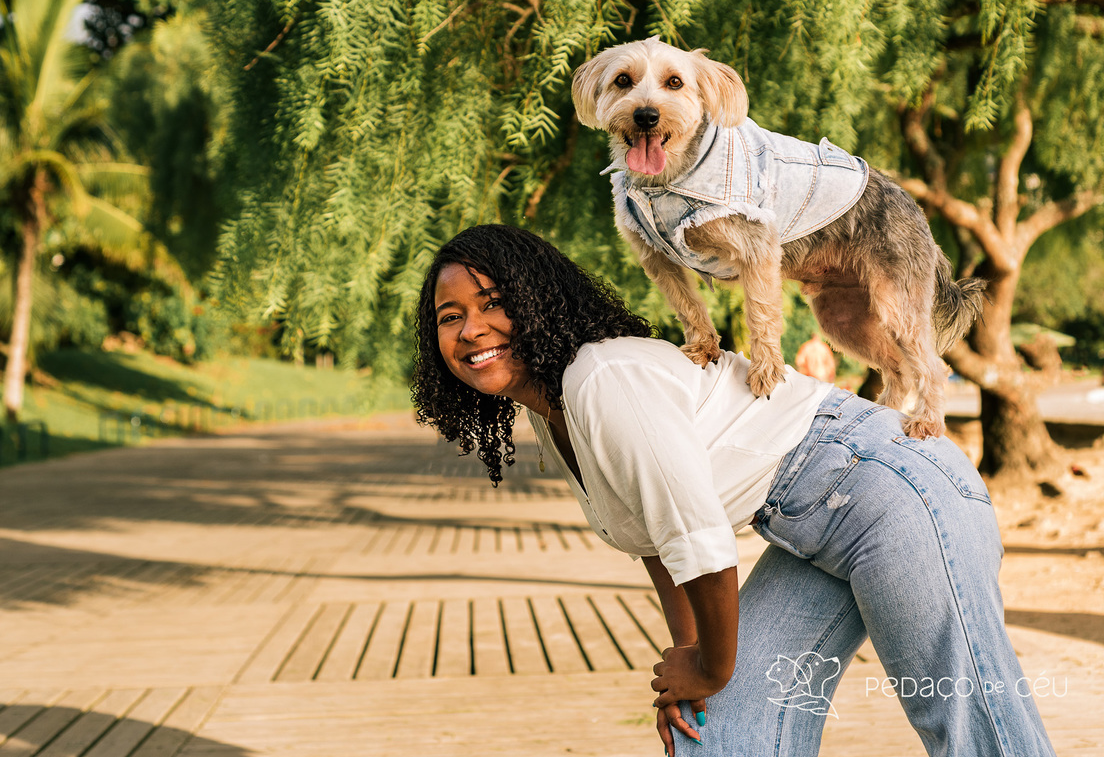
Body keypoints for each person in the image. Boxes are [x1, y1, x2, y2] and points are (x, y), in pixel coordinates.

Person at [411, 224, 1054, 757]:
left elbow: (701, 540)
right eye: (451, 316)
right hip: (816, 523)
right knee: (716, 734)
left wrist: (711, 667)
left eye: (493, 302)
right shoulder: (554, 414)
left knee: (967, 724)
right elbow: (657, 540)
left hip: (890, 485)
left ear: (536, 299)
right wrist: (694, 664)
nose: (471, 329)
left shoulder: (601, 377)